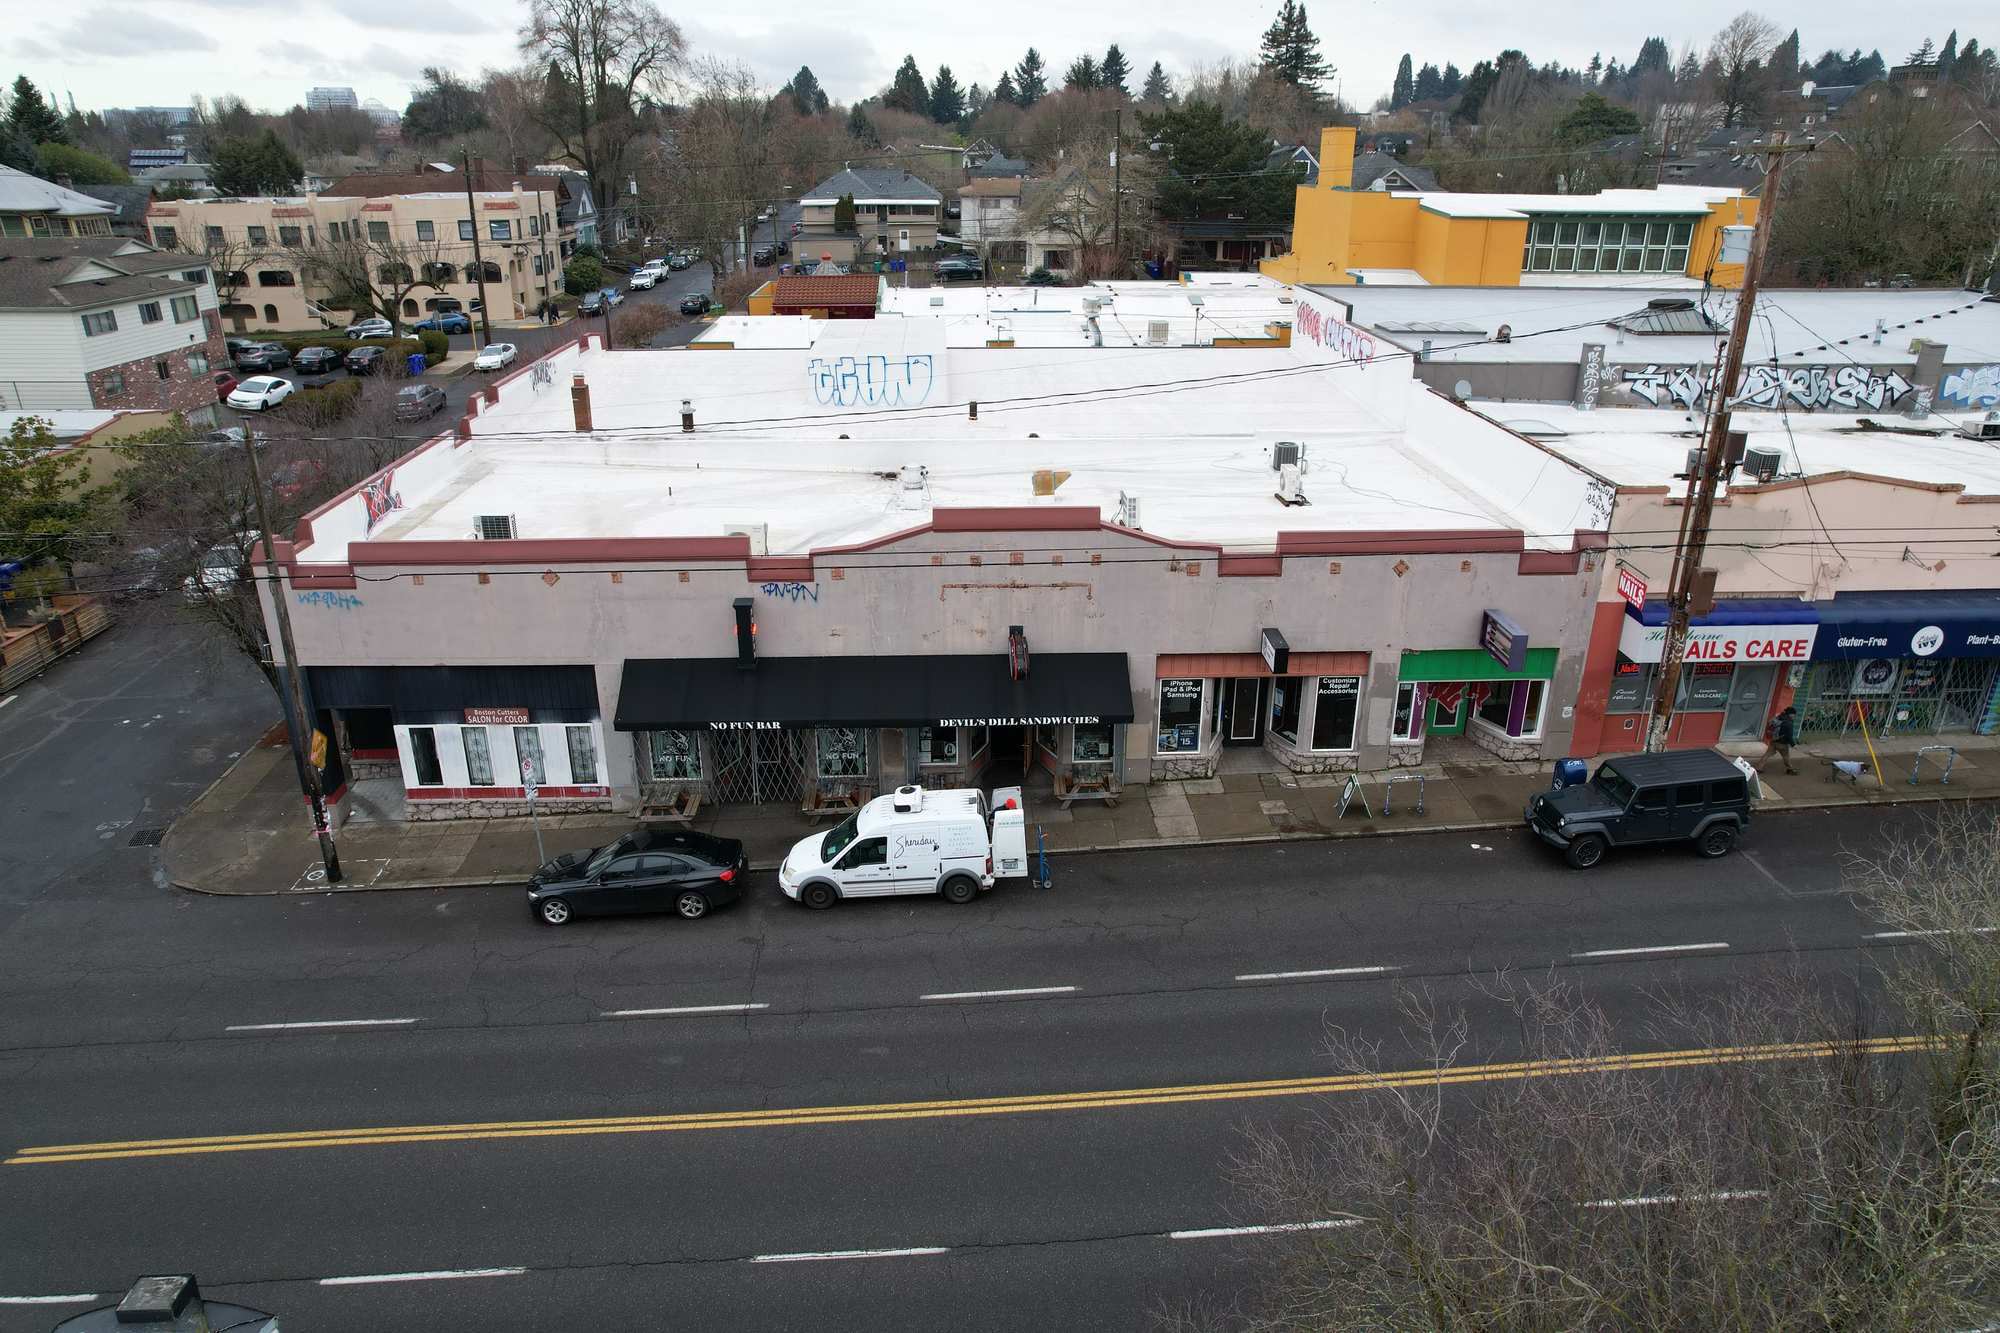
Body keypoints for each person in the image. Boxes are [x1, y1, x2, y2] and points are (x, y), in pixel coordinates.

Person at [1758, 704, 1800, 775]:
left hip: (1773, 741)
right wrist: (1793, 744)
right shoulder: (1789, 723)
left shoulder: (1779, 717)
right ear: (1791, 714)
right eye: (1794, 715)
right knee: (1786, 757)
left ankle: (1759, 768)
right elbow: (1789, 736)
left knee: (1767, 755)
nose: (1794, 716)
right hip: (1782, 744)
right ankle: (1790, 769)